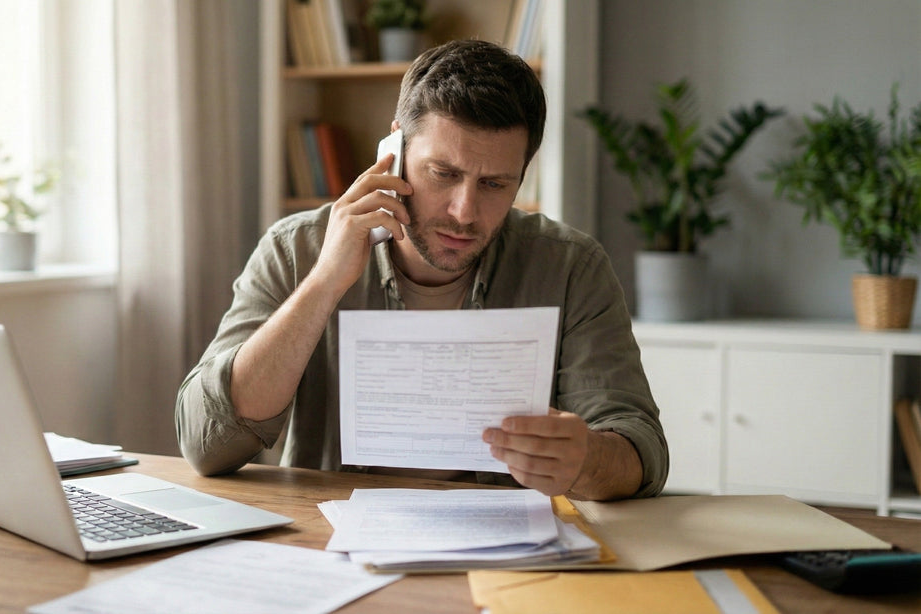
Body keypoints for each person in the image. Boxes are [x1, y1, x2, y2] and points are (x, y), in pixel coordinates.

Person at [176, 39, 667, 500]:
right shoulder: (295, 249)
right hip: (332, 540)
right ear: (394, 152)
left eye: (495, 184)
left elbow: (641, 451)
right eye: (444, 174)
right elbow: (207, 445)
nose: (464, 211)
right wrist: (325, 282)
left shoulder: (569, 266)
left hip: (505, 555)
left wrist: (585, 460)